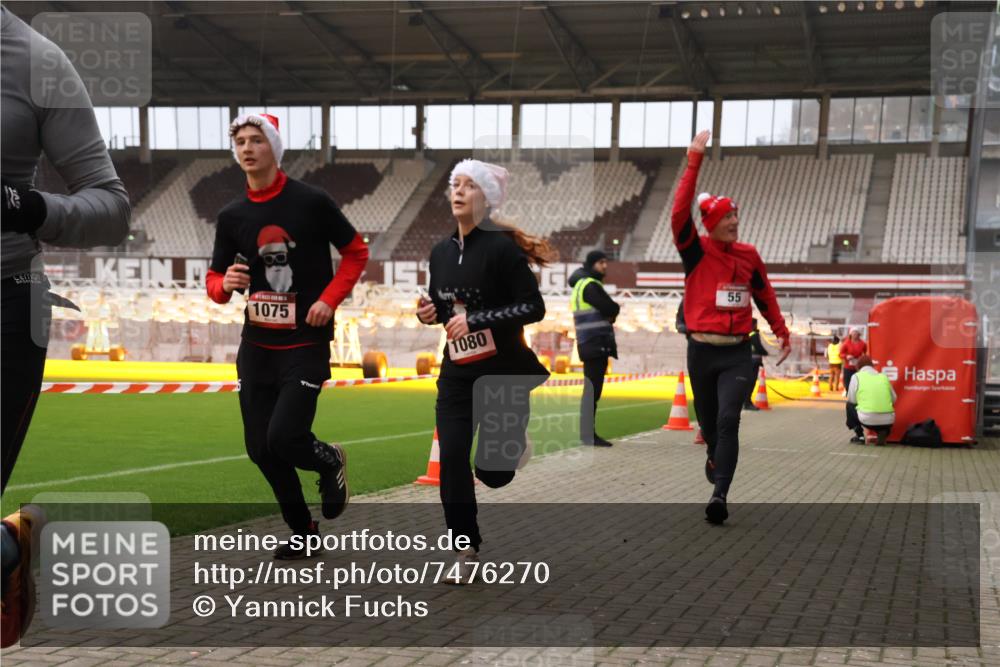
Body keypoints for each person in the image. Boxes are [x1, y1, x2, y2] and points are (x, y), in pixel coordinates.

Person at [1, 6, 131, 647]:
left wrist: (22, 204)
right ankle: (7, 547)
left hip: (5, 307)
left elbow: (111, 208)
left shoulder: (37, 62)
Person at [207, 112, 369, 560]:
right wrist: (228, 284)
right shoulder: (231, 215)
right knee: (260, 449)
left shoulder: (311, 201)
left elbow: (356, 252)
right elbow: (215, 280)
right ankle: (303, 530)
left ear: (273, 147)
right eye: (239, 140)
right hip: (256, 347)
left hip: (306, 342)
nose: (246, 148)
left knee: (284, 437)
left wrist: (328, 300)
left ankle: (329, 460)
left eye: (255, 139)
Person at [416, 159, 554, 583]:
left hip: (503, 374)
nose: (458, 191)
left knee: (492, 475)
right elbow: (447, 308)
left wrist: (478, 320)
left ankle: (512, 443)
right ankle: (465, 547)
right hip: (457, 371)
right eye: (455, 183)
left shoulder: (502, 248)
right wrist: (430, 312)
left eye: (469, 185)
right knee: (452, 457)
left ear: (487, 198)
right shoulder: (440, 252)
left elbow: (533, 307)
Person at [670, 130, 791, 525]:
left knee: (728, 420)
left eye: (737, 216)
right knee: (708, 425)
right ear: (711, 223)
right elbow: (678, 213)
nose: (735, 222)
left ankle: (720, 495)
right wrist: (694, 160)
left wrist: (781, 331)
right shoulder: (695, 250)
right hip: (701, 351)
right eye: (728, 217)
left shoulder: (749, 255)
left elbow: (764, 294)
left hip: (738, 351)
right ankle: (712, 456)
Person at [568, 250, 620, 447]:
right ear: (591, 264)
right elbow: (611, 308)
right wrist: (612, 312)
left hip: (590, 342)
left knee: (591, 390)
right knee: (592, 391)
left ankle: (587, 433)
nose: (604, 265)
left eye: (606, 262)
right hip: (594, 342)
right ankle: (587, 435)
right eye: (601, 262)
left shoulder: (584, 284)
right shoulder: (589, 285)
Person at [846, 355, 896, 446]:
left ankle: (860, 436)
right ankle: (883, 430)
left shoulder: (856, 377)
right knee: (886, 406)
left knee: (849, 405)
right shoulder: (883, 376)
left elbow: (851, 399)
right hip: (888, 420)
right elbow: (894, 398)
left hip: (867, 418)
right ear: (872, 366)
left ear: (858, 367)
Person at [839, 328, 868, 442]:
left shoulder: (862, 343)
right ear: (851, 334)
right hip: (848, 368)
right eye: (854, 333)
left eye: (857, 333)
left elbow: (866, 353)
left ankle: (858, 400)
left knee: (859, 386)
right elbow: (840, 354)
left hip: (858, 368)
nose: (855, 335)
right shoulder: (846, 343)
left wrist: (862, 358)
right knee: (848, 386)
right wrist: (847, 356)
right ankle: (851, 399)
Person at [743, 318, 768, 411]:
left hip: (747, 360)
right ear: (753, 325)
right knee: (751, 382)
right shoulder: (754, 334)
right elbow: (758, 346)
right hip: (754, 361)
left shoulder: (745, 334)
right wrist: (766, 353)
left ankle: (745, 401)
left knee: (746, 381)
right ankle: (747, 402)